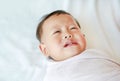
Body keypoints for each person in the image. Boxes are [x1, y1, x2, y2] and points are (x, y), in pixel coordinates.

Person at [36, 10, 120, 81]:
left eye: (73, 28)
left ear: (83, 36)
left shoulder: (97, 54)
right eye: (57, 32)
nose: (67, 34)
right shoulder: (52, 75)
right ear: (45, 49)